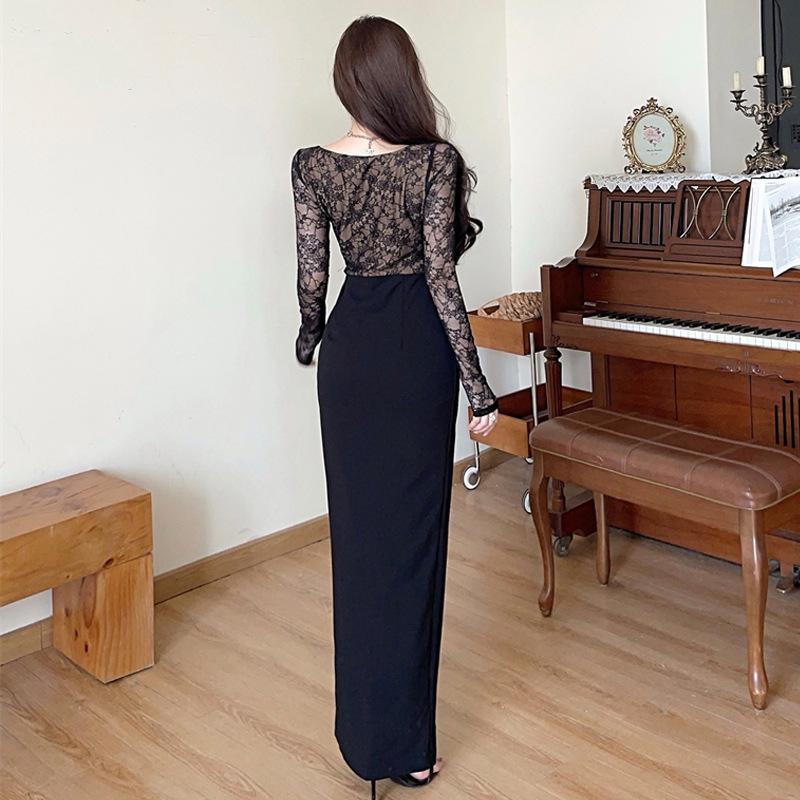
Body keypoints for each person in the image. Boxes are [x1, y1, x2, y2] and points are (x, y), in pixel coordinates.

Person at [291, 15, 498, 799]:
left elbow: (312, 279)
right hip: (415, 356)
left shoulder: (312, 166)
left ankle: (363, 739)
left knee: (357, 546)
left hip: (350, 358)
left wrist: (310, 336)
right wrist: (478, 386)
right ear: (401, 79)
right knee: (413, 548)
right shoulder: (434, 162)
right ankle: (408, 748)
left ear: (347, 81)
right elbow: (441, 277)